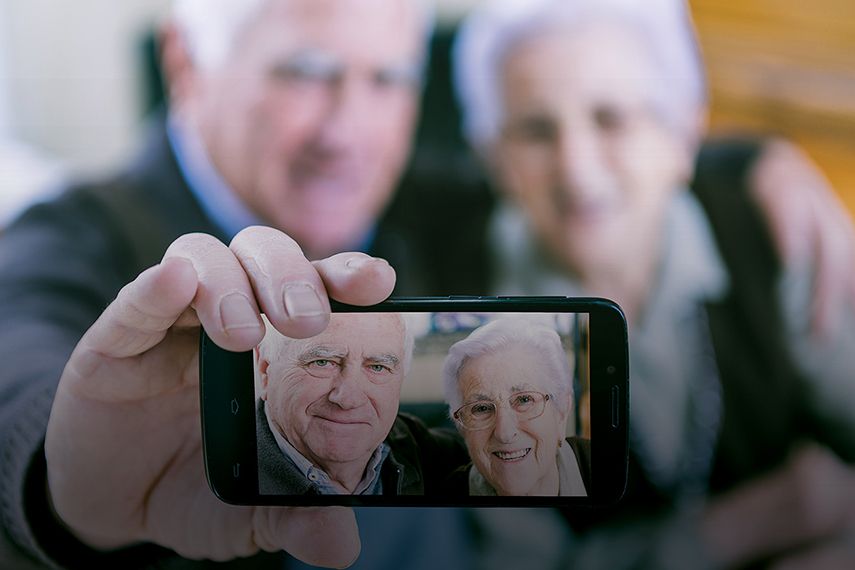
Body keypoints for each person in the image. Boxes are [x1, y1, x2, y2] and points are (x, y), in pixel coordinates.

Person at [0, 0, 852, 567]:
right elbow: (22, 369)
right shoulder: (65, 239)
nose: (348, 129)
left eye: (388, 79)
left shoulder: (412, 202)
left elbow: (592, 171)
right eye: (304, 71)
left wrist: (758, 164)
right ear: (186, 63)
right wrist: (61, 484)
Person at [454, 0, 855, 567]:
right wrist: (735, 529)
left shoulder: (771, 230)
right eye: (537, 131)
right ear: (494, 158)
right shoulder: (461, 314)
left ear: (683, 134)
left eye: (611, 119)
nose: (577, 168)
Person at [255, 312, 466, 496]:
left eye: (377, 367)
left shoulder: (436, 456)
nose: (348, 400)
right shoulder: (236, 483)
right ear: (265, 371)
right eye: (322, 362)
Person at [442, 318, 589, 497]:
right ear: (462, 428)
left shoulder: (612, 470)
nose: (504, 433)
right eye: (481, 408)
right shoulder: (443, 500)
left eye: (524, 400)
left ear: (562, 412)